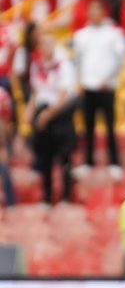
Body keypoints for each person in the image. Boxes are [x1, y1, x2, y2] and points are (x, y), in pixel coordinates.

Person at [72, 0, 125, 169]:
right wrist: (79, 81)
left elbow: (120, 59)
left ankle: (114, 162)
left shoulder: (113, 33)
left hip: (107, 86)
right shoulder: (81, 35)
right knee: (87, 127)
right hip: (88, 86)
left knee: (110, 126)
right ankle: (88, 161)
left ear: (103, 13)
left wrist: (109, 78)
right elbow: (78, 61)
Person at [27, 35, 78, 204]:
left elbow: (64, 95)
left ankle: (66, 196)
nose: (45, 48)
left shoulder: (63, 65)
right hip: (42, 112)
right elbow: (35, 92)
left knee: (64, 158)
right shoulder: (36, 65)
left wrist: (47, 115)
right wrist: (30, 111)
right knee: (44, 158)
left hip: (60, 115)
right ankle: (47, 197)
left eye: (48, 44)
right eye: (42, 44)